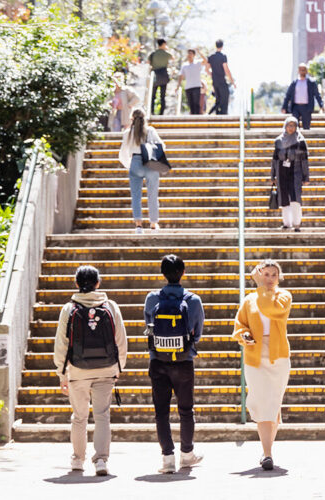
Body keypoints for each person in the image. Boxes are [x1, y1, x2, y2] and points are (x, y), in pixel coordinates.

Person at [53, 265, 128, 476]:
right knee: (103, 415)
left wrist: (61, 373)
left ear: (76, 284)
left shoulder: (69, 309)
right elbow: (121, 339)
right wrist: (119, 366)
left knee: (79, 417)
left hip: (77, 370)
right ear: (98, 283)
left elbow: (61, 344)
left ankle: (78, 460)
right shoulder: (110, 306)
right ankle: (101, 461)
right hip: (106, 369)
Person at [144, 255, 205, 473]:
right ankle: (187, 455)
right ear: (183, 272)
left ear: (162, 273)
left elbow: (149, 329)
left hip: (158, 360)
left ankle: (167, 459)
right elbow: (197, 334)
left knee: (161, 411)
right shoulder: (193, 300)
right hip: (184, 361)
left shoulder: (152, 299)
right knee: (186, 410)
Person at [232, 260, 293, 471]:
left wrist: (260, 287)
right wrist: (244, 335)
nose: (268, 278)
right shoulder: (249, 300)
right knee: (260, 401)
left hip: (278, 356)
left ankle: (267, 451)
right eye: (265, 274)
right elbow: (240, 324)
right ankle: (267, 453)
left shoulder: (283, 297)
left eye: (273, 274)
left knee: (273, 403)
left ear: (279, 277)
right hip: (255, 355)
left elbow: (272, 310)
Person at [118, 107, 165, 233]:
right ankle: (154, 224)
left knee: (136, 196)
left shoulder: (128, 133)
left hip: (135, 162)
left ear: (132, 119)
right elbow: (162, 146)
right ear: (145, 118)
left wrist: (130, 165)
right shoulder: (150, 131)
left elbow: (122, 153)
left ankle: (139, 226)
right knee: (153, 195)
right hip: (150, 163)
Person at [272, 116, 309, 232]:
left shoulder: (300, 141)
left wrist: (305, 176)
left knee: (295, 198)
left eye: (293, 125)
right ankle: (287, 223)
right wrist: (272, 176)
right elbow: (274, 160)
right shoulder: (278, 141)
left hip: (295, 172)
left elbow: (305, 161)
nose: (291, 128)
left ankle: (296, 224)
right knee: (284, 199)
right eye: (289, 125)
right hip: (282, 172)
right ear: (285, 126)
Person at [281, 63, 324, 129]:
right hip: (295, 107)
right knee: (294, 126)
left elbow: (317, 94)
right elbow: (288, 95)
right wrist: (284, 107)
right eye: (300, 70)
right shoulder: (294, 83)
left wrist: (321, 105)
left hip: (306, 107)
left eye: (304, 70)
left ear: (306, 71)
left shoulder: (311, 83)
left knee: (306, 127)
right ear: (298, 71)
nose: (302, 71)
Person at [206, 40, 235, 115]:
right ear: (222, 46)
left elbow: (207, 69)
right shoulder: (223, 56)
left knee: (218, 100)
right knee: (224, 100)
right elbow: (226, 70)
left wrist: (212, 75)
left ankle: (212, 114)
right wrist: (232, 81)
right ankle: (222, 116)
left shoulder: (211, 57)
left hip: (215, 82)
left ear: (216, 46)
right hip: (222, 81)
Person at [148, 39, 173, 115]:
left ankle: (151, 111)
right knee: (163, 96)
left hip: (155, 75)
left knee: (153, 95)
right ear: (163, 44)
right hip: (163, 75)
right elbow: (173, 58)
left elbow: (149, 63)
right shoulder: (167, 54)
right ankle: (161, 113)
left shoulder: (153, 54)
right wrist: (167, 49)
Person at [178, 49, 204, 115]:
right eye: (188, 53)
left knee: (196, 104)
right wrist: (178, 86)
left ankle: (198, 120)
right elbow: (181, 76)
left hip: (197, 86)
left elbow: (206, 61)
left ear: (194, 55)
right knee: (191, 105)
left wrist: (200, 52)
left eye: (191, 53)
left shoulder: (197, 63)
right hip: (188, 87)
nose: (189, 55)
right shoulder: (184, 65)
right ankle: (192, 121)